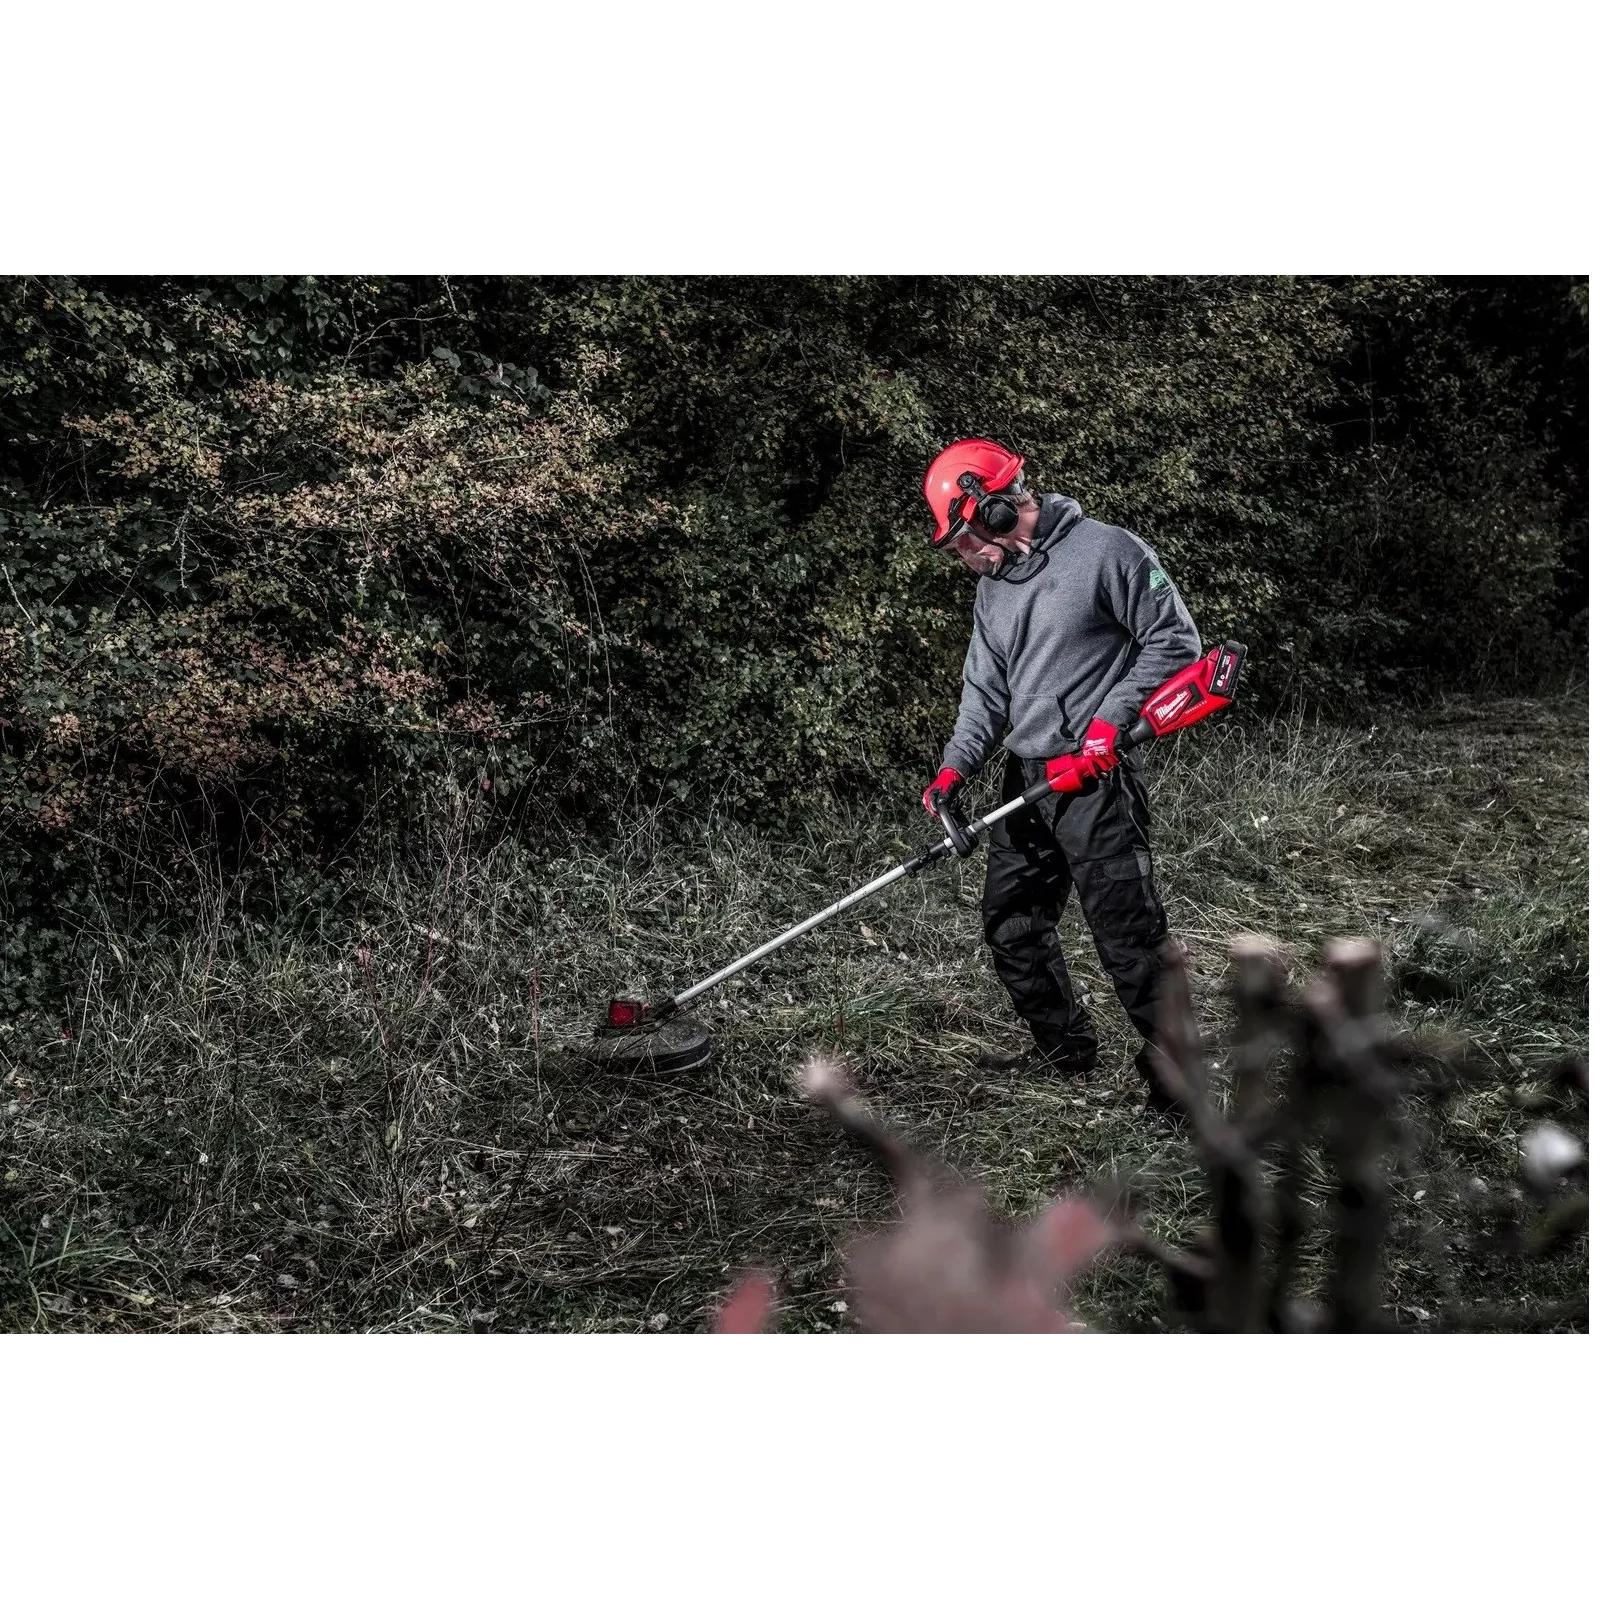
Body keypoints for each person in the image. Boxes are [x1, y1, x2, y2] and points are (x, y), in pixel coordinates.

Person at [919, 437, 1201, 1120]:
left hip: (1095, 780)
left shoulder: (1108, 551)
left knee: (1129, 939)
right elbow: (985, 692)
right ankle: (1065, 1049)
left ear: (992, 510)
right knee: (1011, 924)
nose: (965, 556)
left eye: (964, 540)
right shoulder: (993, 589)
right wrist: (955, 766)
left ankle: (1181, 1088)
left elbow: (1175, 642)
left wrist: (1108, 721)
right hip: (1029, 777)